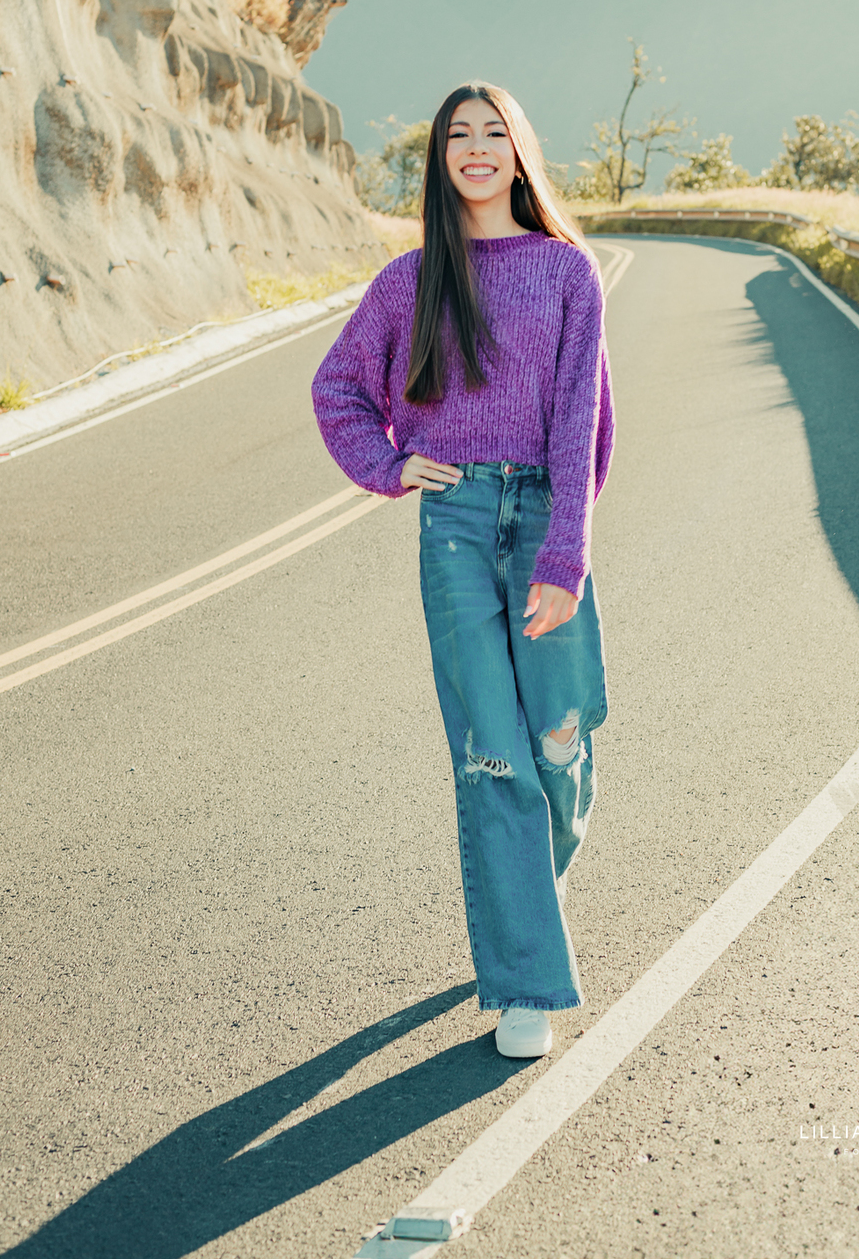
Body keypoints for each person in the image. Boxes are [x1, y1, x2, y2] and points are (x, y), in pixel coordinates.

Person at [311, 82, 614, 1059]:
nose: (476, 150)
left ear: (520, 150)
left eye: (494, 133)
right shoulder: (411, 280)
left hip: (544, 520)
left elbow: (585, 424)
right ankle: (525, 981)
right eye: (458, 138)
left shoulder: (569, 272)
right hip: (455, 523)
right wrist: (393, 465)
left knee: (558, 746)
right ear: (440, 160)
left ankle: (531, 886)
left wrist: (565, 551)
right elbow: (340, 390)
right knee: (495, 755)